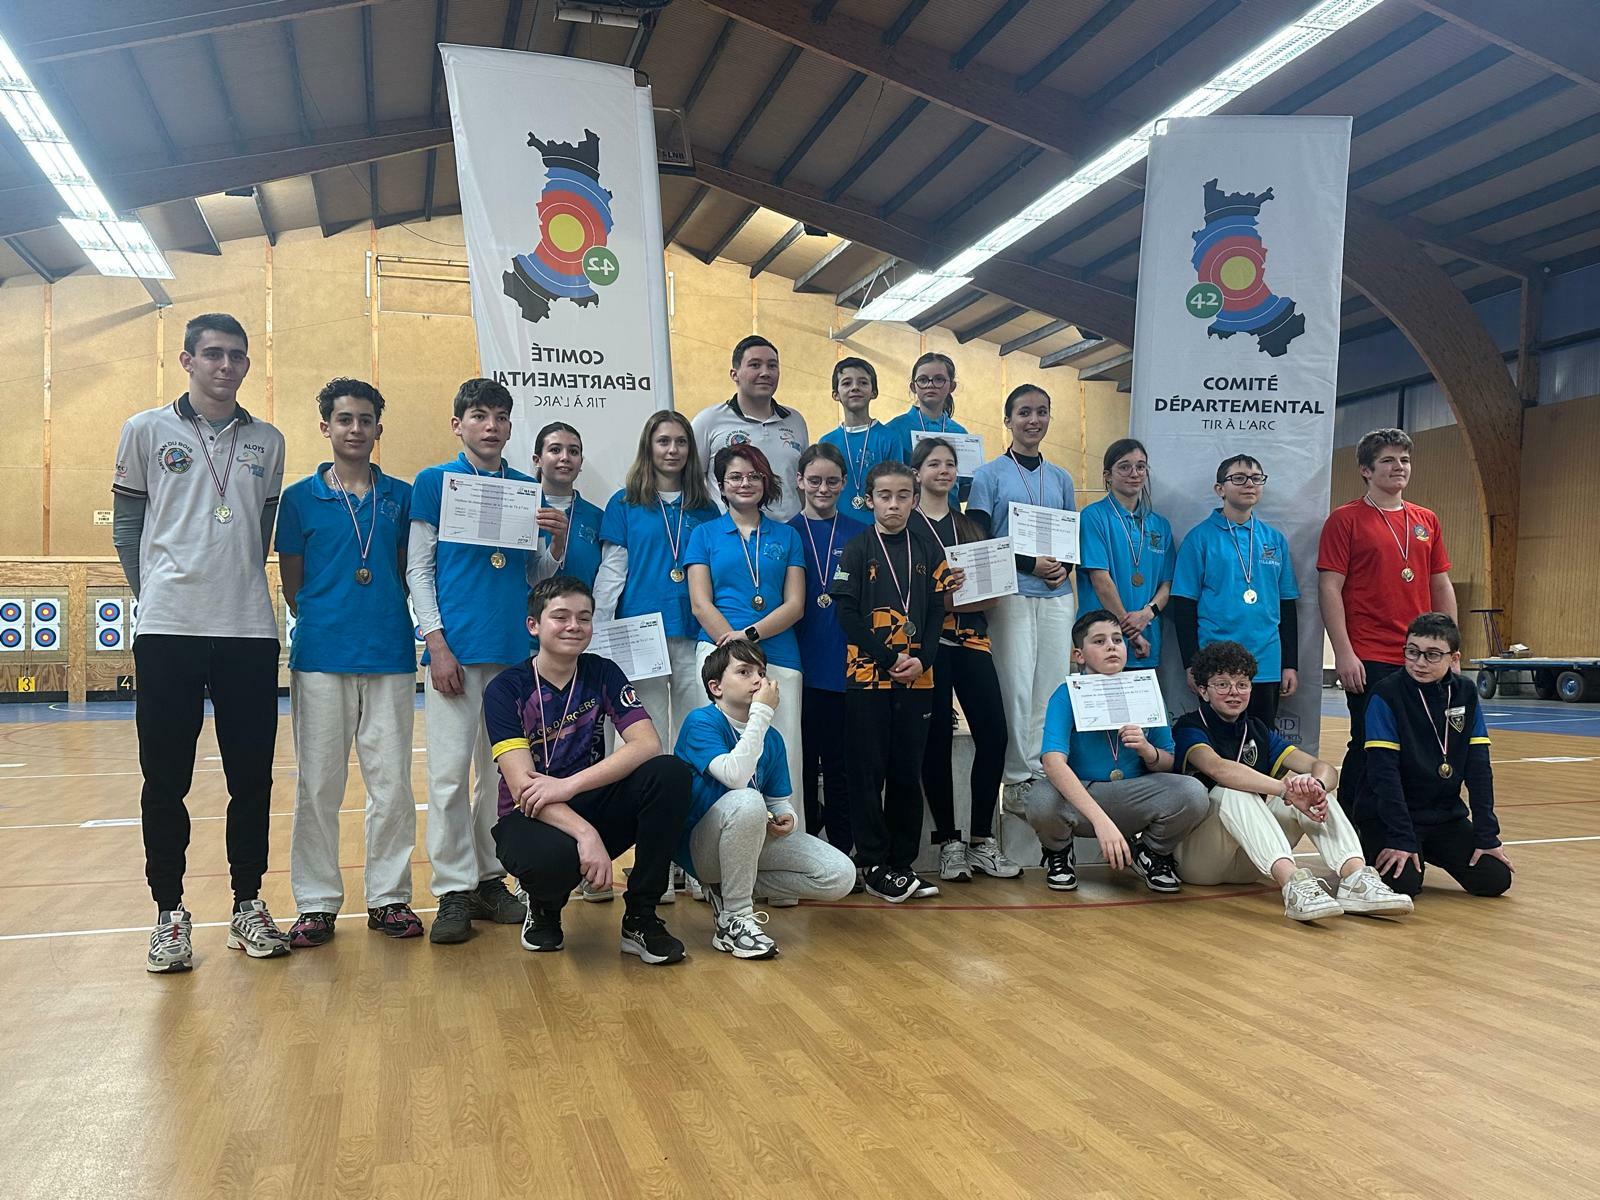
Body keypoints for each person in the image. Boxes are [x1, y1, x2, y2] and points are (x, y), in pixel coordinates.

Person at [112, 312, 290, 972]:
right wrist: (158, 592)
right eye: (213, 354)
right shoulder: (145, 430)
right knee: (165, 779)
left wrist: (228, 578)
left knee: (252, 778)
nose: (225, 365)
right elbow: (126, 527)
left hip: (247, 630)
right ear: (187, 360)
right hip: (168, 631)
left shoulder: (268, 441)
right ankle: (169, 913)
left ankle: (247, 903)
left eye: (236, 356)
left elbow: (260, 530)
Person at [409, 378, 556, 944]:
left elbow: (533, 575)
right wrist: (436, 642)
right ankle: (452, 889)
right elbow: (419, 569)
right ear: (458, 425)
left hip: (512, 656)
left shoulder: (526, 488)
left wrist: (555, 545)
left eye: (499, 416)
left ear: (510, 426)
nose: (490, 426)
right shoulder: (434, 482)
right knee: (448, 778)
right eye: (478, 415)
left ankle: (490, 879)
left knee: (501, 779)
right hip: (455, 653)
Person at [277, 378, 423, 946]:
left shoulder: (402, 497)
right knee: (318, 785)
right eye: (344, 419)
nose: (355, 429)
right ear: (326, 427)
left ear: (378, 428)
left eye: (365, 419)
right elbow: (294, 583)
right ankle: (315, 903)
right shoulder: (298, 499)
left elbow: (407, 570)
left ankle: (389, 898)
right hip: (321, 656)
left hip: (389, 653)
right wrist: (328, 616)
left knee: (391, 786)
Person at [484, 576, 695, 962]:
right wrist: (586, 834)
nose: (574, 626)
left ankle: (641, 917)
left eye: (584, 618)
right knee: (550, 861)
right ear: (534, 625)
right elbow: (522, 787)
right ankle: (544, 907)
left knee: (670, 773)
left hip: (585, 800)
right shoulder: (505, 689)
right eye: (560, 617)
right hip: (529, 815)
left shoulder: (603, 672)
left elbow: (647, 743)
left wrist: (568, 786)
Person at [1171, 640, 1413, 921]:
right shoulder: (1190, 726)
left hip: (1251, 862)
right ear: (1203, 690)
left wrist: (1315, 787)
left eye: (1242, 684)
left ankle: (1355, 878)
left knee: (1311, 787)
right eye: (1222, 684)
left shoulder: (1258, 730)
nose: (1234, 692)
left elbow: (1322, 767)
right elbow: (1219, 769)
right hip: (1200, 861)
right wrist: (1286, 790)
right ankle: (1293, 883)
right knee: (1235, 791)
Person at [673, 642, 856, 958]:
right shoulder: (700, 722)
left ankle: (727, 892)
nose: (758, 680)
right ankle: (735, 918)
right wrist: (761, 713)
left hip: (749, 840)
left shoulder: (771, 738)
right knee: (747, 800)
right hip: (700, 849)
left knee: (840, 875)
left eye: (761, 672)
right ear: (716, 687)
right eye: (744, 672)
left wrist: (787, 818)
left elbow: (778, 800)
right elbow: (735, 777)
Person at [830, 460, 956, 902]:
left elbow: (938, 611)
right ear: (869, 500)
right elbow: (846, 615)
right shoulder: (856, 548)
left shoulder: (928, 549)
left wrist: (922, 659)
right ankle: (873, 862)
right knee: (868, 773)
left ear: (915, 500)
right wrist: (887, 658)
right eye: (885, 496)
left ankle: (902, 864)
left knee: (907, 771)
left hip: (918, 678)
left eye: (903, 496)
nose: (894, 505)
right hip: (868, 679)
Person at [1025, 610, 1208, 894]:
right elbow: (1052, 763)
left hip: (1133, 793)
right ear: (1079, 655)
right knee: (1040, 797)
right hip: (1083, 794)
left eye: (1117, 639)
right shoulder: (1065, 694)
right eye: (1099, 641)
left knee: (1193, 792)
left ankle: (1151, 852)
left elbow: (1169, 761)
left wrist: (1148, 750)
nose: (1111, 646)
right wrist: (1101, 822)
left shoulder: (1145, 690)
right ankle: (1059, 852)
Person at [1318, 428, 1456, 805]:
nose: (1399, 467)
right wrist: (1344, 653)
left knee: (1420, 745)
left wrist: (1449, 649)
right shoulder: (1345, 519)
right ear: (1366, 470)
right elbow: (1329, 589)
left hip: (1421, 655)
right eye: (1388, 460)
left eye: (1405, 460)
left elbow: (1440, 584)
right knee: (1368, 743)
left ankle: (1405, 824)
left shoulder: (1426, 520)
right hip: (1370, 655)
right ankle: (1353, 827)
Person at [911, 437, 1018, 883]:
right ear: (917, 473)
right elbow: (904, 596)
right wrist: (945, 597)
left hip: (972, 641)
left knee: (994, 734)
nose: (943, 471)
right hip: (927, 648)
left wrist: (946, 598)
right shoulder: (906, 527)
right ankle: (949, 844)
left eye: (950, 464)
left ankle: (981, 840)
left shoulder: (971, 527)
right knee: (934, 740)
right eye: (934, 464)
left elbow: (992, 595)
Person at [967, 384, 1077, 816]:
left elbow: (1069, 537)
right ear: (1008, 420)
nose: (1034, 420)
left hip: (1056, 594)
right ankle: (1015, 778)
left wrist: (1063, 568)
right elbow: (978, 537)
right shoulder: (989, 475)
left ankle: (1044, 768)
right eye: (1025, 412)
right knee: (1015, 684)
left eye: (1042, 412)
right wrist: (1030, 563)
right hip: (1011, 591)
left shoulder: (1062, 478)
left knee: (1051, 684)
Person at [685, 444, 808, 825]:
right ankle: (718, 842)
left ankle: (787, 834)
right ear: (721, 485)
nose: (745, 483)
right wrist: (735, 648)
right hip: (719, 656)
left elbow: (795, 605)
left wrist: (749, 636)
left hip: (779, 655)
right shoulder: (704, 533)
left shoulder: (787, 536)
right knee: (724, 754)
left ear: (766, 481)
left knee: (784, 751)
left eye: (754, 476)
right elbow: (700, 603)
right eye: (735, 476)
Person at [1353, 613, 1512, 900]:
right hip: (1389, 818)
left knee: (1494, 878)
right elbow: (1383, 775)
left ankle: (1426, 850)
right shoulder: (1385, 694)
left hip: (1443, 817)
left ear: (1454, 658)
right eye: (1412, 652)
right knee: (1404, 884)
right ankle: (1373, 844)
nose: (1419, 662)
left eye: (1432, 655)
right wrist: (1401, 837)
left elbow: (1479, 769)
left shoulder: (1465, 692)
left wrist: (1487, 836)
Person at [594, 411, 721, 758]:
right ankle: (647, 792)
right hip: (639, 632)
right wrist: (597, 631)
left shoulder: (706, 509)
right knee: (644, 732)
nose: (672, 450)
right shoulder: (625, 503)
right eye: (663, 441)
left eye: (681, 442)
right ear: (648, 447)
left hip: (693, 631)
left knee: (696, 725)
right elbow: (611, 574)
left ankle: (691, 792)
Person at [1171, 455, 1299, 724]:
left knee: (1261, 738)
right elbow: (1183, 606)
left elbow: (1287, 606)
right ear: (1220, 489)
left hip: (1266, 661)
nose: (1249, 484)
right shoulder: (1199, 538)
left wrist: (1289, 664)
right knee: (1219, 738)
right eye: (1238, 478)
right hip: (1215, 663)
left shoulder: (1274, 540)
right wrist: (1191, 664)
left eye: (1256, 478)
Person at [787, 442, 869, 853]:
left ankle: (843, 852)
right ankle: (802, 851)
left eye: (832, 481)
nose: (823, 488)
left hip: (845, 667)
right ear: (799, 481)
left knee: (841, 767)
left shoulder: (861, 533)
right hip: (797, 668)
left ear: (844, 483)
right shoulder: (784, 533)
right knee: (800, 765)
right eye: (815, 480)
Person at [1077, 439, 1174, 672]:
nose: (1134, 473)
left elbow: (1167, 584)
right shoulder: (1093, 516)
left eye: (1141, 467)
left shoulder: (1159, 524)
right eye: (1124, 466)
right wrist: (1130, 630)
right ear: (1107, 475)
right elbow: (1101, 581)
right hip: (1104, 638)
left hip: (1147, 636)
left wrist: (1147, 614)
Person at [691, 336, 809, 522]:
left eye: (772, 366)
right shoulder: (708, 421)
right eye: (755, 365)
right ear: (734, 374)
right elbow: (690, 482)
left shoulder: (795, 421)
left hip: (789, 532)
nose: (765, 373)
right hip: (730, 533)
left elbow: (802, 485)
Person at [820, 357, 900, 514]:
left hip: (878, 523)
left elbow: (895, 487)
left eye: (863, 382)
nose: (855, 387)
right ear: (835, 394)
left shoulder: (889, 438)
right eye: (846, 383)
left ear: (874, 392)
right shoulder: (827, 442)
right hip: (836, 522)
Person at [530, 421, 603, 588]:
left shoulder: (598, 518)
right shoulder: (522, 509)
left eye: (573, 452)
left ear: (581, 462)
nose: (565, 457)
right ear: (537, 460)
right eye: (555, 450)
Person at [885, 351, 968, 470]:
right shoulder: (894, 430)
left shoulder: (960, 434)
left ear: (952, 386)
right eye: (923, 380)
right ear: (913, 387)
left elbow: (967, 479)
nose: (930, 385)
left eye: (939, 379)